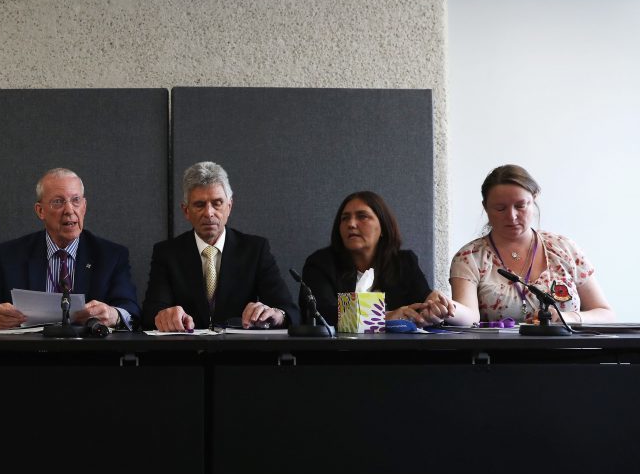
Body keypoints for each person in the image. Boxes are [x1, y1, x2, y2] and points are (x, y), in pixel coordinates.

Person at [0, 168, 140, 331]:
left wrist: (113, 315)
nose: (69, 210)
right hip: (28, 355)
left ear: (84, 206)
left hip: (89, 356)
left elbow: (131, 310)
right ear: (40, 211)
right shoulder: (10, 255)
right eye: (58, 202)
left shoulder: (110, 255)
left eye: (76, 200)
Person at [447, 164, 614, 325]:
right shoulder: (470, 257)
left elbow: (605, 313)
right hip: (500, 353)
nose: (511, 216)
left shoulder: (564, 248)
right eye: (500, 208)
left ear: (534, 200)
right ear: (485, 207)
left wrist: (568, 317)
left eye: (520, 206)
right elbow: (470, 316)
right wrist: (446, 308)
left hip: (568, 351)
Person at [142, 161, 299, 331]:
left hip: (239, 353)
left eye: (217, 203)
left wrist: (276, 314)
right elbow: (151, 314)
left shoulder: (255, 249)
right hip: (187, 352)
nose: (209, 213)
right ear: (186, 210)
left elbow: (290, 311)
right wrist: (164, 316)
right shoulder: (167, 253)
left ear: (229, 206)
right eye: (199, 205)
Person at [302, 191, 455, 327]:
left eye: (362, 216)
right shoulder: (320, 264)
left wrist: (432, 306)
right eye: (345, 218)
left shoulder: (404, 262)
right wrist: (384, 317)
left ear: (383, 226)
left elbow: (422, 302)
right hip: (340, 354)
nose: (351, 224)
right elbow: (319, 312)